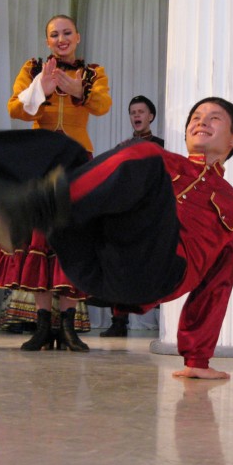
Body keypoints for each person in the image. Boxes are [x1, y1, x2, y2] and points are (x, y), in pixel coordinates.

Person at [0, 97, 233, 379]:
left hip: (152, 274)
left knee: (145, 156)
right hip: (93, 265)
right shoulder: (164, 161)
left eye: (214, 117)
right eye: (195, 116)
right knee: (65, 150)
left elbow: (217, 285)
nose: (200, 121)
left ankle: (31, 207)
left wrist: (198, 358)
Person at [0, 13, 111, 350]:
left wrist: (76, 90)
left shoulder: (92, 73)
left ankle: (69, 326)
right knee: (40, 240)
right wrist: (41, 88)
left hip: (75, 161)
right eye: (55, 34)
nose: (61, 39)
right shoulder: (33, 69)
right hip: (40, 159)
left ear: (78, 36)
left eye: (67, 33)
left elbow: (102, 105)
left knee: (71, 237)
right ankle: (43, 325)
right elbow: (16, 109)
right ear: (47, 41)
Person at [100, 94, 165, 337]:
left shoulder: (161, 146)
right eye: (132, 112)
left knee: (154, 266)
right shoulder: (122, 146)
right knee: (119, 266)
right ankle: (118, 322)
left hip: (150, 216)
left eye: (141, 112)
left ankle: (166, 322)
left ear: (151, 116)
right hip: (125, 216)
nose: (136, 116)